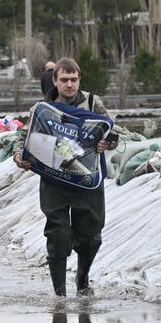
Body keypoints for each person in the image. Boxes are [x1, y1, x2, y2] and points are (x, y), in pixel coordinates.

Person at [13, 57, 114, 297]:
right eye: (64, 80)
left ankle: (83, 279)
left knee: (90, 236)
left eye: (74, 79)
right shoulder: (43, 110)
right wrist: (19, 156)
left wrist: (106, 143)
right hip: (54, 178)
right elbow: (24, 136)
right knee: (58, 235)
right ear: (55, 81)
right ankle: (60, 293)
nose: (70, 84)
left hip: (87, 179)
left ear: (79, 80)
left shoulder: (92, 103)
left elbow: (112, 131)